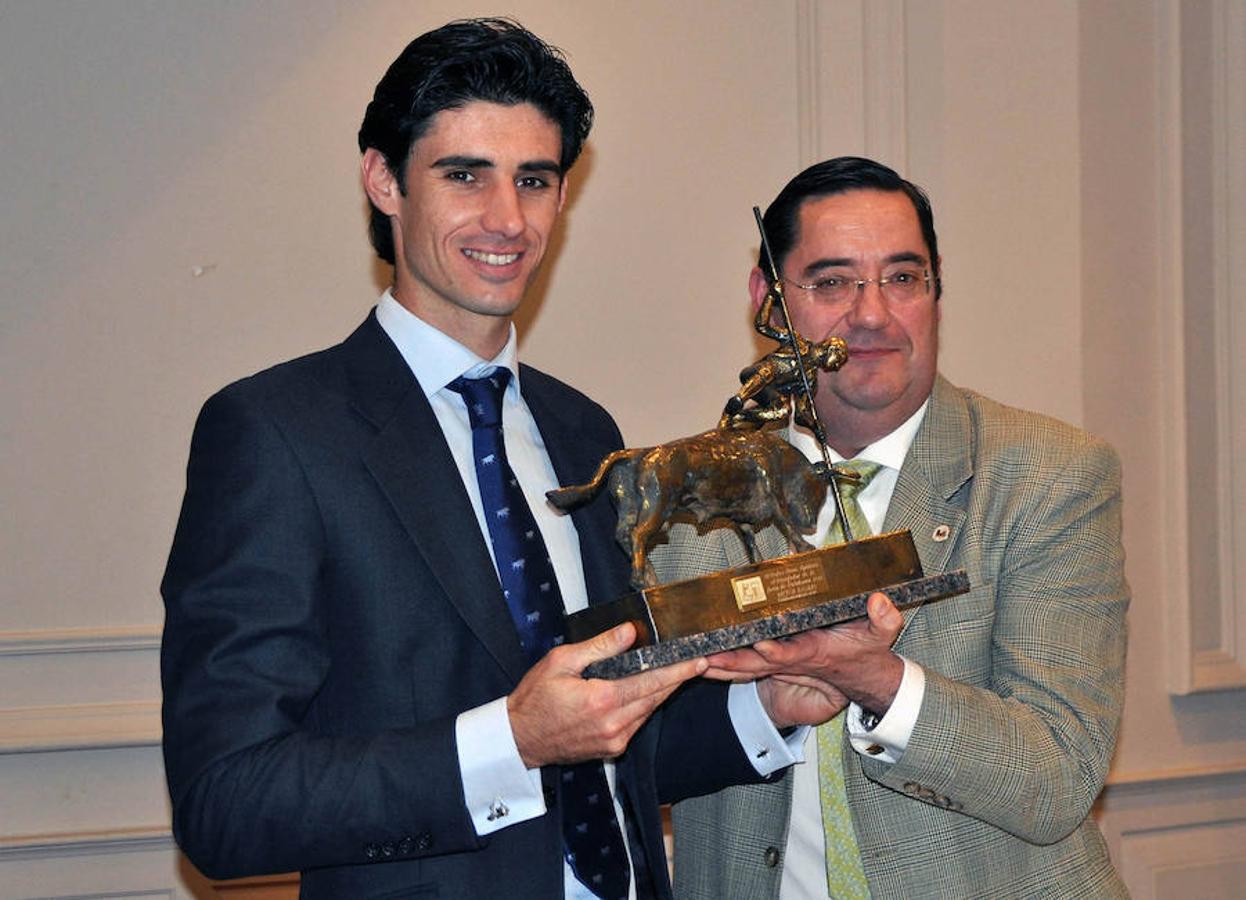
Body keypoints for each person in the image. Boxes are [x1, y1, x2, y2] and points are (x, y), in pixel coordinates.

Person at [160, 19, 828, 900]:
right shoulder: (275, 433)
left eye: (535, 180)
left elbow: (607, 748)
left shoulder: (583, 428)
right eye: (465, 175)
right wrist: (507, 743)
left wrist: (774, 703)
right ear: (383, 180)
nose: (507, 219)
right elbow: (226, 806)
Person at [654, 157, 1130, 898]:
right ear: (770, 302)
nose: (872, 314)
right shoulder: (688, 499)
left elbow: (1057, 776)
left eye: (902, 278)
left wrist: (873, 677)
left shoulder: (1050, 475)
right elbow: (636, 753)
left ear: (937, 290)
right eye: (832, 281)